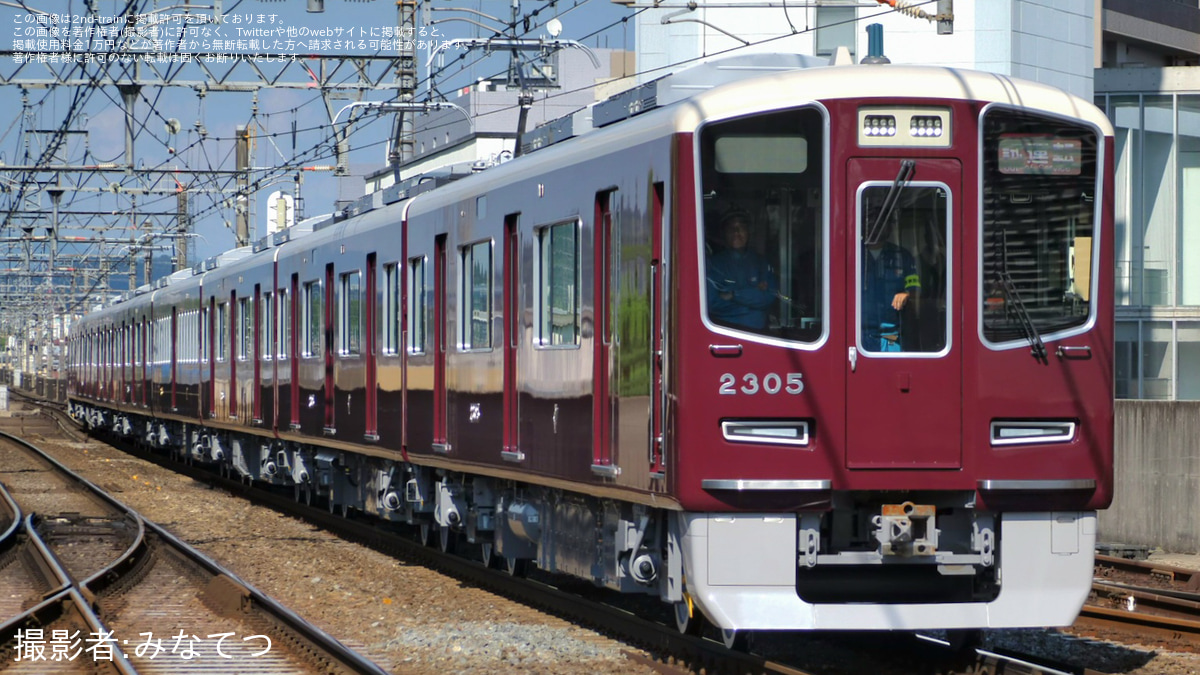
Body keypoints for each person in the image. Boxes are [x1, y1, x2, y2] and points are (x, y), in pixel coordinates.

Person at [706, 211, 778, 331]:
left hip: (760, 335)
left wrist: (733, 294)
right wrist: (753, 297)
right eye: (731, 228)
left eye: (741, 227)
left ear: (748, 232)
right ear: (724, 234)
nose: (736, 232)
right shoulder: (713, 264)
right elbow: (711, 303)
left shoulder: (761, 263)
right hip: (723, 332)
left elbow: (769, 297)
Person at [862, 238, 920, 351]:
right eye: (871, 220)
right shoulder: (852, 253)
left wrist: (906, 293)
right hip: (859, 335)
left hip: (891, 335)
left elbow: (915, 289)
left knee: (892, 368)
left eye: (881, 221)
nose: (875, 225)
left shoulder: (901, 256)